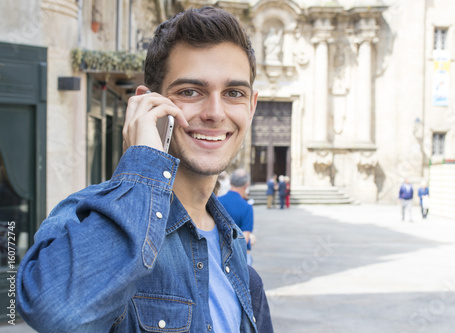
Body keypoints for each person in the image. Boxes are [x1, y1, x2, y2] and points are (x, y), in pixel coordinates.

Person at [17, 7, 270, 332]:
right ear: (146, 104)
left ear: (251, 106)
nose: (215, 112)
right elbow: (55, 311)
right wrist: (143, 165)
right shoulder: (82, 216)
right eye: (190, 91)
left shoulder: (238, 258)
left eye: (234, 93)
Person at [218, 169, 254, 265]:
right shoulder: (246, 207)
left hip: (218, 254)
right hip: (239, 258)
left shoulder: (217, 201)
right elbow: (244, 239)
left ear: (230, 182)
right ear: (246, 185)